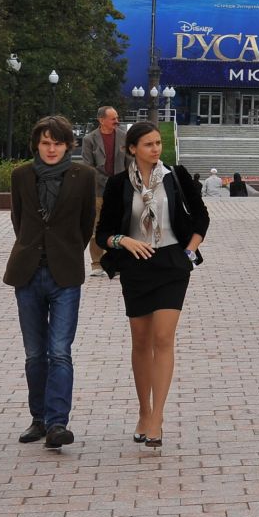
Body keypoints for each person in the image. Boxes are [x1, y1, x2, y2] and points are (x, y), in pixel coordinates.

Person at [96, 121, 208, 449]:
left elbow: (201, 217)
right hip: (136, 266)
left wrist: (189, 250)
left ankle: (157, 416)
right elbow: (102, 233)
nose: (156, 149)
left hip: (173, 264)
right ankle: (143, 412)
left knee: (163, 337)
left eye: (158, 142)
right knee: (141, 341)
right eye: (148, 144)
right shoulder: (118, 185)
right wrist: (123, 241)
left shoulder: (176, 177)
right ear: (132, 149)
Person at [5, 115, 99, 450]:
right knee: (34, 354)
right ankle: (39, 418)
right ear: (37, 144)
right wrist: (34, 247)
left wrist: (68, 249)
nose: (51, 148)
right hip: (27, 273)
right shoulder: (21, 176)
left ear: (67, 145)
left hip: (65, 273)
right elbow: (19, 220)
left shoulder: (83, 176)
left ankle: (58, 423)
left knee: (59, 351)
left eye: (57, 143)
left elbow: (88, 220)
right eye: (45, 142)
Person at [77, 105, 123, 201]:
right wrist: (108, 182)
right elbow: (89, 167)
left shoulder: (125, 137)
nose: (117, 121)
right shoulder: (89, 140)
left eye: (117, 118)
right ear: (101, 121)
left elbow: (130, 162)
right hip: (99, 192)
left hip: (121, 189)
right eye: (113, 119)